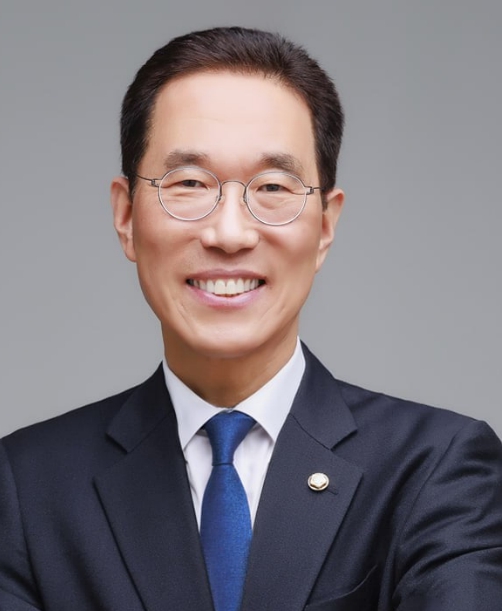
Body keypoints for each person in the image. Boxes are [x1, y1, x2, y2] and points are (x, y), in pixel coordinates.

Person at [1, 26, 501, 611]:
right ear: (126, 217)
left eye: (273, 187)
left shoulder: (436, 468)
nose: (230, 233)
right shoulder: (27, 486)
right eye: (189, 183)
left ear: (325, 226)